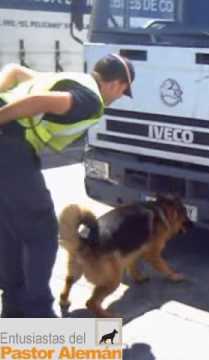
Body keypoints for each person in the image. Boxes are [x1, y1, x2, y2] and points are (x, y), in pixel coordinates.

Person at [0, 53, 135, 317]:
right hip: (11, 148)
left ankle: (14, 307)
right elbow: (40, 101)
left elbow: (15, 71)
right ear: (115, 84)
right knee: (43, 231)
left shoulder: (72, 79)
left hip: (8, 148)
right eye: (122, 91)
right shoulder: (90, 99)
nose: (119, 97)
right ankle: (38, 314)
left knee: (10, 230)